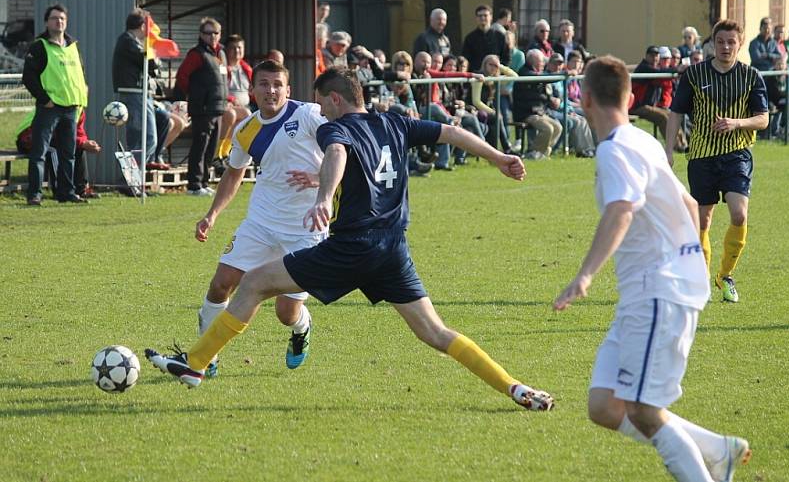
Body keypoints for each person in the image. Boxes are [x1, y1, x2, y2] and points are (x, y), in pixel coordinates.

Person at [145, 67, 555, 413]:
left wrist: (324, 196)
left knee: (253, 283)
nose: (320, 111)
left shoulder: (336, 129)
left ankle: (196, 363)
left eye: (323, 103)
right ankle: (515, 388)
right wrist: (499, 158)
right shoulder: (395, 121)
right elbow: (450, 132)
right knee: (435, 333)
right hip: (393, 250)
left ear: (336, 99)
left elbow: (338, 154)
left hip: (350, 248)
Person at [554, 54, 752, 482]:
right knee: (605, 405)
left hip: (659, 289)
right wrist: (692, 257)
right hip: (649, 289)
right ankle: (717, 450)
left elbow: (623, 209)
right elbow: (684, 201)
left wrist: (584, 275)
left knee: (644, 410)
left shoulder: (614, 151)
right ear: (629, 96)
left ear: (584, 99)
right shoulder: (641, 140)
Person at [189, 60, 326, 376]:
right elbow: (233, 175)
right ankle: (206, 354)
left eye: (277, 84)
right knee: (221, 283)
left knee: (286, 312)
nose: (271, 90)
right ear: (252, 90)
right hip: (261, 223)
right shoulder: (245, 129)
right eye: (264, 84)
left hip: (306, 228)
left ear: (288, 89)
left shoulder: (308, 115)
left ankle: (301, 328)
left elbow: (343, 151)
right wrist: (212, 215)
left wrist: (319, 178)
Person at [666, 19, 769, 303]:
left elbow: (763, 119)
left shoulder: (751, 76)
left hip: (737, 153)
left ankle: (725, 275)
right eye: (720, 41)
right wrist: (669, 149)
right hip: (701, 155)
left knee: (739, 214)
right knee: (703, 220)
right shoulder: (694, 74)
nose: (725, 47)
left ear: (740, 43)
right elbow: (675, 112)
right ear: (712, 43)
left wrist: (736, 123)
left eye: (731, 42)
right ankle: (700, 278)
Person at [22, 3, 88, 205]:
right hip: (49, 108)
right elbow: (29, 77)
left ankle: (66, 192)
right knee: (39, 153)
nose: (58, 21)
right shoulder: (39, 46)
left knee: (68, 154)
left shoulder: (73, 46)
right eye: (54, 18)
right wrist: (45, 99)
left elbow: (80, 74)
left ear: (66, 22)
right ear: (46, 22)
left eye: (62, 18)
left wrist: (81, 95)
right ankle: (35, 194)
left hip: (71, 108)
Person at [176, 17, 228, 196]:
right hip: (203, 108)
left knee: (211, 147)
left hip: (217, 107)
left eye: (215, 33)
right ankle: (194, 184)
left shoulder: (220, 54)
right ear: (201, 34)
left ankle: (204, 181)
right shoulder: (196, 54)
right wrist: (194, 96)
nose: (212, 36)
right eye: (207, 33)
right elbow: (182, 76)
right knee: (200, 145)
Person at [112, 8, 162, 170]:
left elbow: (153, 67)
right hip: (134, 94)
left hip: (140, 93)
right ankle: (130, 178)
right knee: (146, 138)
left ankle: (134, 179)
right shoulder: (128, 40)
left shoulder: (132, 41)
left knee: (142, 138)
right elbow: (151, 63)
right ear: (142, 26)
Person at [16, 108, 101, 199]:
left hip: (52, 137)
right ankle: (60, 190)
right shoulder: (59, 106)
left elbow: (78, 132)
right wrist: (82, 142)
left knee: (79, 148)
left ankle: (81, 189)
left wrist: (85, 143)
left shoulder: (79, 110)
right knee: (53, 150)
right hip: (29, 137)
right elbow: (58, 132)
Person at [512, 49, 562, 160]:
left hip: (538, 112)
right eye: (541, 61)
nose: (543, 63)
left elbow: (540, 95)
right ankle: (532, 152)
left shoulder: (537, 74)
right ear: (532, 61)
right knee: (547, 129)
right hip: (526, 113)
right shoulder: (525, 73)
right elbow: (543, 80)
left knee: (558, 127)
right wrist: (564, 74)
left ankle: (542, 152)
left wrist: (550, 99)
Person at [216, 34, 253, 161]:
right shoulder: (222, 67)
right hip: (225, 105)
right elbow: (220, 87)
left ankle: (227, 152)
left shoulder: (246, 68)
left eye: (239, 48)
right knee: (234, 115)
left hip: (244, 106)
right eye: (233, 48)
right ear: (227, 50)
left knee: (246, 116)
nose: (237, 51)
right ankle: (218, 153)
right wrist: (231, 100)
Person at [462, 5, 509, 72]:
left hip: (496, 77)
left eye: (485, 15)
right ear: (476, 18)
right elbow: (466, 58)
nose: (482, 18)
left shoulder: (500, 36)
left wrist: (500, 71)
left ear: (491, 17)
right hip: (477, 76)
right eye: (480, 16)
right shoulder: (470, 38)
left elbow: (506, 57)